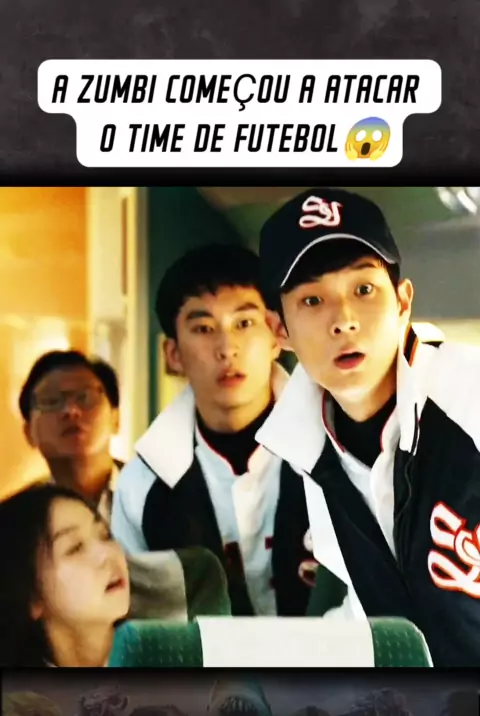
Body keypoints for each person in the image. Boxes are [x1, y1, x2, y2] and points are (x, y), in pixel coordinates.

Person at [256, 187, 480, 666]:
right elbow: (372, 612)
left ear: (402, 302)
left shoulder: (469, 399)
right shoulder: (308, 450)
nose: (344, 320)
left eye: (363, 290)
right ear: (280, 331)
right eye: (312, 299)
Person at [112, 243, 313, 617]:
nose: (227, 348)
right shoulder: (143, 485)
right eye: (203, 328)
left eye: (244, 323)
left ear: (277, 335)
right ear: (173, 354)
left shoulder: (335, 449)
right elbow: (139, 623)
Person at [0, 483, 229, 668]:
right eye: (75, 548)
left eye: (105, 535)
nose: (106, 554)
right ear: (31, 597)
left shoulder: (175, 652)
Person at [19, 350, 122, 523]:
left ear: (116, 419)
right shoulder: (14, 522)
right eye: (51, 401)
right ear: (29, 432)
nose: (70, 411)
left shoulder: (163, 498)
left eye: (84, 397)